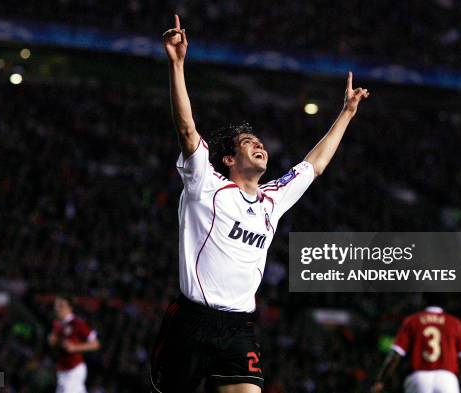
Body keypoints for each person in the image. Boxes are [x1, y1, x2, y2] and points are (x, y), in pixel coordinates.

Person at [151, 14, 369, 393]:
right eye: (248, 142)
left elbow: (314, 165)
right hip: (191, 322)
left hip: (238, 327)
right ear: (229, 160)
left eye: (260, 141)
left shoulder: (272, 199)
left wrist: (346, 114)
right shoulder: (207, 185)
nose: (259, 144)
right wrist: (177, 64)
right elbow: (187, 129)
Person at [371, 294, 461, 393]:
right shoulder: (455, 323)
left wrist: (381, 381)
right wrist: (456, 384)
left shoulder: (412, 321)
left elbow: (395, 355)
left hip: (419, 377)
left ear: (424, 300)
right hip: (447, 379)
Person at [48, 296, 100, 393]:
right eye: (56, 306)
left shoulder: (77, 323)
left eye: (61, 306)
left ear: (70, 307)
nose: (57, 309)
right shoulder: (57, 324)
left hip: (74, 369)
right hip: (62, 370)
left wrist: (75, 347)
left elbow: (95, 344)